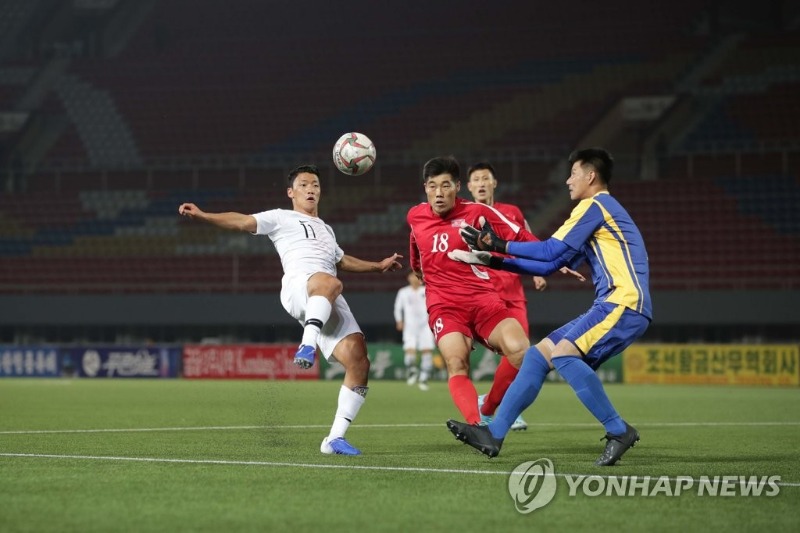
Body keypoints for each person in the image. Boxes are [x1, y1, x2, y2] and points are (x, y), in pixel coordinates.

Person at [178, 164, 402, 456]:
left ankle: (334, 439)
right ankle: (307, 346)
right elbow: (242, 221)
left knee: (359, 361)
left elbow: (341, 259)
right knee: (330, 282)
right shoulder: (280, 218)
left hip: (326, 293)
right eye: (305, 184)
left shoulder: (326, 229)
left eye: (316, 185)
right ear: (291, 192)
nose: (311, 189)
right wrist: (204, 215)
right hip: (299, 287)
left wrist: (377, 266)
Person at [447, 148, 652, 466]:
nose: (568, 180)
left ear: (590, 176)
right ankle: (495, 432)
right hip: (609, 304)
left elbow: (548, 250)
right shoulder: (594, 212)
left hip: (623, 302)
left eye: (573, 173)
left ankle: (618, 429)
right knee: (537, 355)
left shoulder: (595, 205)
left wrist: (497, 244)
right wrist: (490, 259)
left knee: (563, 354)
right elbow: (549, 265)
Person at [406, 156, 537, 427]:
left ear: (457, 186)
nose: (439, 193)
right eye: (432, 186)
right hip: (445, 306)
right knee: (456, 362)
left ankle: (487, 407)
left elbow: (521, 236)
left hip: (482, 300)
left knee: (521, 349)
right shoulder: (415, 216)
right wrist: (420, 271)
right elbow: (416, 254)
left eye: (445, 186)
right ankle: (477, 426)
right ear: (425, 188)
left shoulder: (478, 212)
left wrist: (556, 258)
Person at [467, 162, 547, 431]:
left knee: (521, 354)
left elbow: (526, 242)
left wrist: (538, 272)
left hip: (514, 293)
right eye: (475, 179)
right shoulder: (465, 215)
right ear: (468, 187)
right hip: (483, 293)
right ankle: (493, 408)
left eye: (484, 178)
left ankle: (492, 406)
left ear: (494, 183)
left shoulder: (511, 212)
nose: (480, 183)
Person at [393, 270, 436, 391]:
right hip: (410, 326)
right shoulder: (403, 292)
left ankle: (424, 378)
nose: (415, 278)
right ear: (409, 277)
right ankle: (412, 371)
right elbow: (397, 307)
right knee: (409, 352)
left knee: (426, 351)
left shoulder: (427, 291)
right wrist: (399, 320)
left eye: (418, 276)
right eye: (413, 276)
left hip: (425, 326)